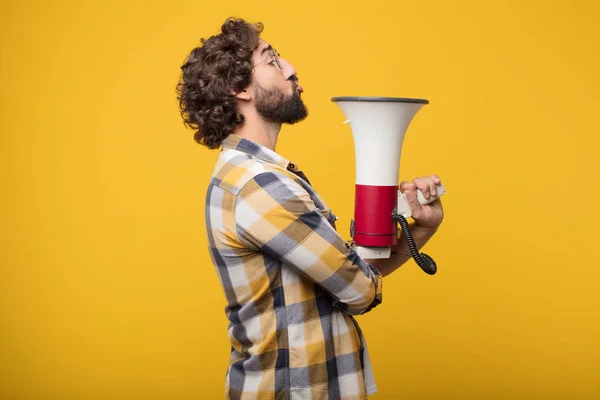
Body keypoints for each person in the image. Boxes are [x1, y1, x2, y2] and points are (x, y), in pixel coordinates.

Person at [176, 17, 444, 400]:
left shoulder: (254, 174)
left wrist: (421, 228)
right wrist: (367, 262)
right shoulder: (261, 186)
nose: (290, 68)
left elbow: (346, 273)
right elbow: (360, 290)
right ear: (239, 88)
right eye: (272, 61)